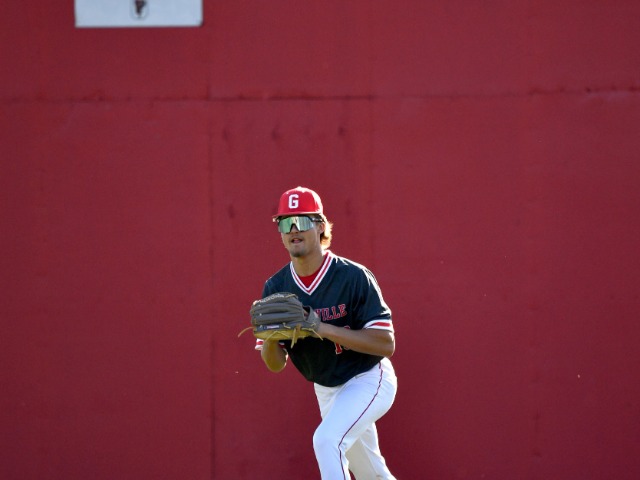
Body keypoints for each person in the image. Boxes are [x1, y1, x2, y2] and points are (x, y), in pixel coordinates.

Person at [255, 186, 398, 480]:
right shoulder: (276, 287)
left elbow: (386, 344)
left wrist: (319, 327)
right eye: (285, 223)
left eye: (301, 221)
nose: (293, 230)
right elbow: (275, 364)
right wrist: (270, 339)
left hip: (368, 378)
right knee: (372, 474)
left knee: (326, 440)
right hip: (326, 388)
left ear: (320, 226)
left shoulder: (353, 276)